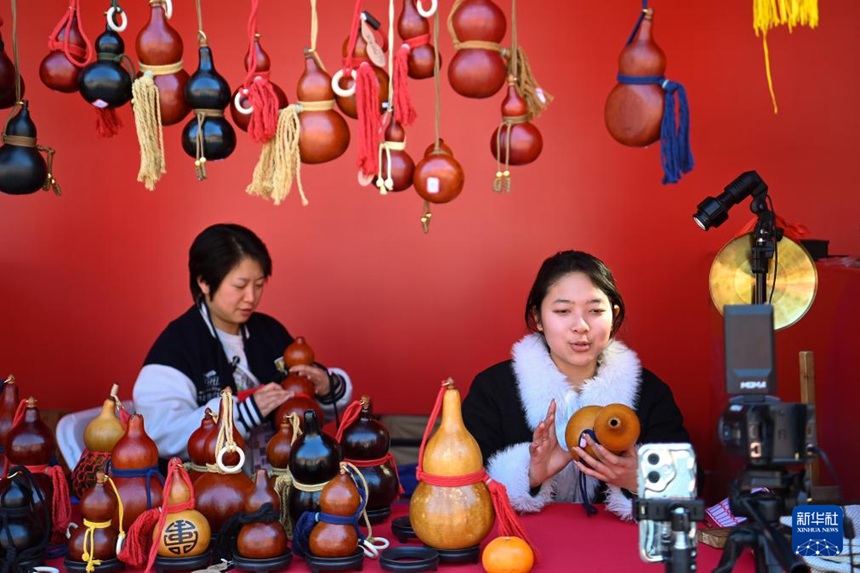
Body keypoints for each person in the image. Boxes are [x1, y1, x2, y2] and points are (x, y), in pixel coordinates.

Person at [462, 250, 690, 520]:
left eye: (595, 310)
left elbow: (688, 489)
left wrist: (640, 480)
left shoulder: (649, 392)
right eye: (563, 311)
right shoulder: (493, 389)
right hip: (520, 544)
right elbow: (463, 490)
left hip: (619, 550)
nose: (580, 326)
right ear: (537, 317)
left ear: (614, 316)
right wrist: (530, 476)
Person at [133, 223, 352, 470]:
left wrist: (325, 388)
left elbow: (305, 411)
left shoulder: (269, 332)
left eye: (258, 285)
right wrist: (245, 413)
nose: (251, 297)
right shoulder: (177, 346)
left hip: (281, 482)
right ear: (204, 282)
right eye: (240, 286)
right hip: (213, 493)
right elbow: (160, 433)